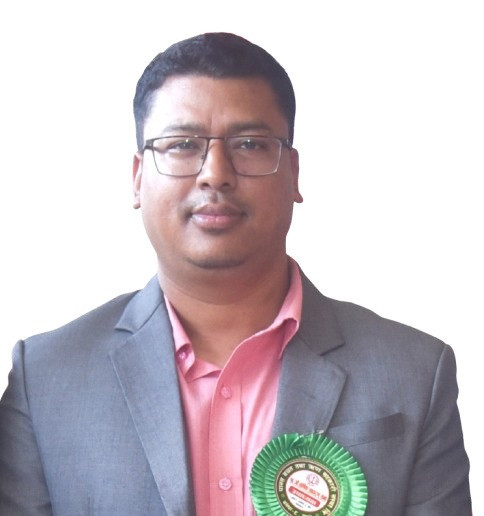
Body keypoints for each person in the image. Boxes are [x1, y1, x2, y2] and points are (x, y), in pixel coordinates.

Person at [0, 32, 471, 515]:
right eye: (183, 145)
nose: (215, 173)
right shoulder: (46, 379)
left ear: (293, 172)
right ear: (138, 177)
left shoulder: (414, 373)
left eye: (249, 144)